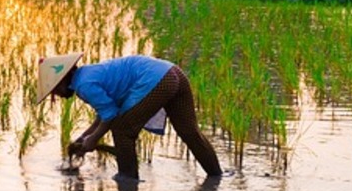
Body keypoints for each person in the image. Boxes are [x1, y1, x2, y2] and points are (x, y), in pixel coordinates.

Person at [37, 53, 222, 180]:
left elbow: (110, 116)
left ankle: (127, 180)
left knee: (122, 130)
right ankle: (216, 176)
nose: (58, 96)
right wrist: (84, 138)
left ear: (62, 82)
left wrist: (93, 140)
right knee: (190, 132)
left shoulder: (84, 86)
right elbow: (104, 114)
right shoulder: (88, 74)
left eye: (55, 91)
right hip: (173, 73)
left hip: (157, 80)